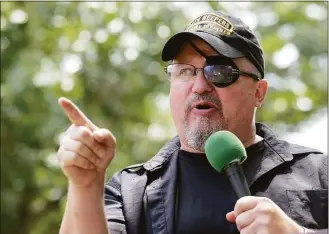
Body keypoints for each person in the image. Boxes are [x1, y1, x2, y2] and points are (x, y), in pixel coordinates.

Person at [57, 10, 327, 234]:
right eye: (185, 71)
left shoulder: (319, 173)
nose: (200, 85)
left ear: (259, 93)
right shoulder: (130, 193)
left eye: (219, 71)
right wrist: (85, 185)